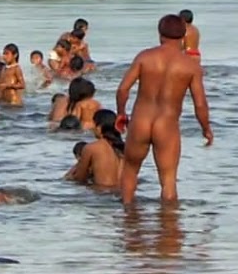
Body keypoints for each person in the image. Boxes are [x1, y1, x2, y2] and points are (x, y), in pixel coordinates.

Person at [116, 14, 213, 206]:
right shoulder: (190, 66)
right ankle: (168, 221)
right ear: (184, 36)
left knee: (130, 170)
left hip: (141, 121)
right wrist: (206, 128)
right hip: (166, 124)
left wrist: (121, 113)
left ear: (160, 34)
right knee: (168, 181)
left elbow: (123, 90)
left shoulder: (145, 57)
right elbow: (200, 104)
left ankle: (127, 216)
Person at [66, 123, 125, 188]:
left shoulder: (91, 148)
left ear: (99, 128)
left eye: (94, 126)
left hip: (100, 191)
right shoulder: (125, 148)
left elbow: (79, 179)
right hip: (122, 191)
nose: (92, 129)